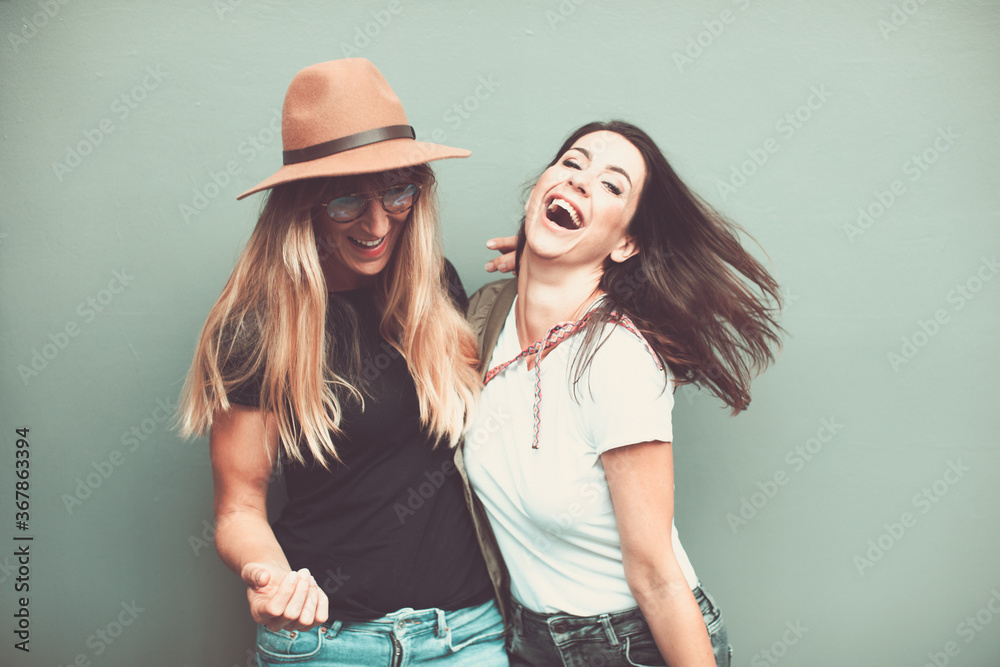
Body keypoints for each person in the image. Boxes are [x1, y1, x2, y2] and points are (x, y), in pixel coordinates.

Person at [176, 58, 507, 666]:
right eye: (347, 200)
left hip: (468, 634)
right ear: (302, 204)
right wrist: (273, 580)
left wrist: (551, 268)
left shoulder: (435, 289)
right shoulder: (256, 328)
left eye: (398, 192)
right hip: (330, 644)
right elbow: (238, 508)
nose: (378, 223)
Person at [461, 121, 783, 666]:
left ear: (628, 240)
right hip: (525, 640)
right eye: (571, 162)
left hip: (630, 646)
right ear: (541, 185)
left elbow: (657, 577)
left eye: (613, 186)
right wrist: (549, 261)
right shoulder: (488, 315)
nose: (582, 181)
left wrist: (565, 255)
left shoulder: (617, 360)